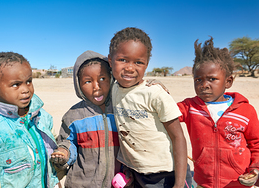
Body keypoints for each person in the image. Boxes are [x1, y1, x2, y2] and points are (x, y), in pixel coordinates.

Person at [108, 27, 191, 188]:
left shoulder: (155, 93)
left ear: (146, 65)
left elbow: (178, 137)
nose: (130, 68)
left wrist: (179, 184)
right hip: (135, 171)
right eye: (123, 60)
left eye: (138, 62)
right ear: (110, 61)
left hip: (164, 174)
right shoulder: (113, 88)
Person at [0, 51, 60, 188]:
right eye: (16, 84)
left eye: (29, 81)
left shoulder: (42, 116)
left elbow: (51, 157)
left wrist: (56, 182)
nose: (26, 89)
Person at [177, 37, 259, 188]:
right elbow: (166, 110)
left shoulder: (245, 111)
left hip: (238, 182)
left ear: (228, 81)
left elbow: (256, 144)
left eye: (212, 79)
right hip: (203, 182)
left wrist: (256, 168)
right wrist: (157, 90)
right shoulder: (190, 107)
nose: (204, 85)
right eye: (198, 80)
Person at [51, 50, 121, 188]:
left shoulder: (121, 108)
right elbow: (67, 142)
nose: (96, 87)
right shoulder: (73, 115)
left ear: (111, 78)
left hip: (118, 182)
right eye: (88, 81)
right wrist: (64, 152)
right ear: (78, 85)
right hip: (81, 183)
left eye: (102, 79)